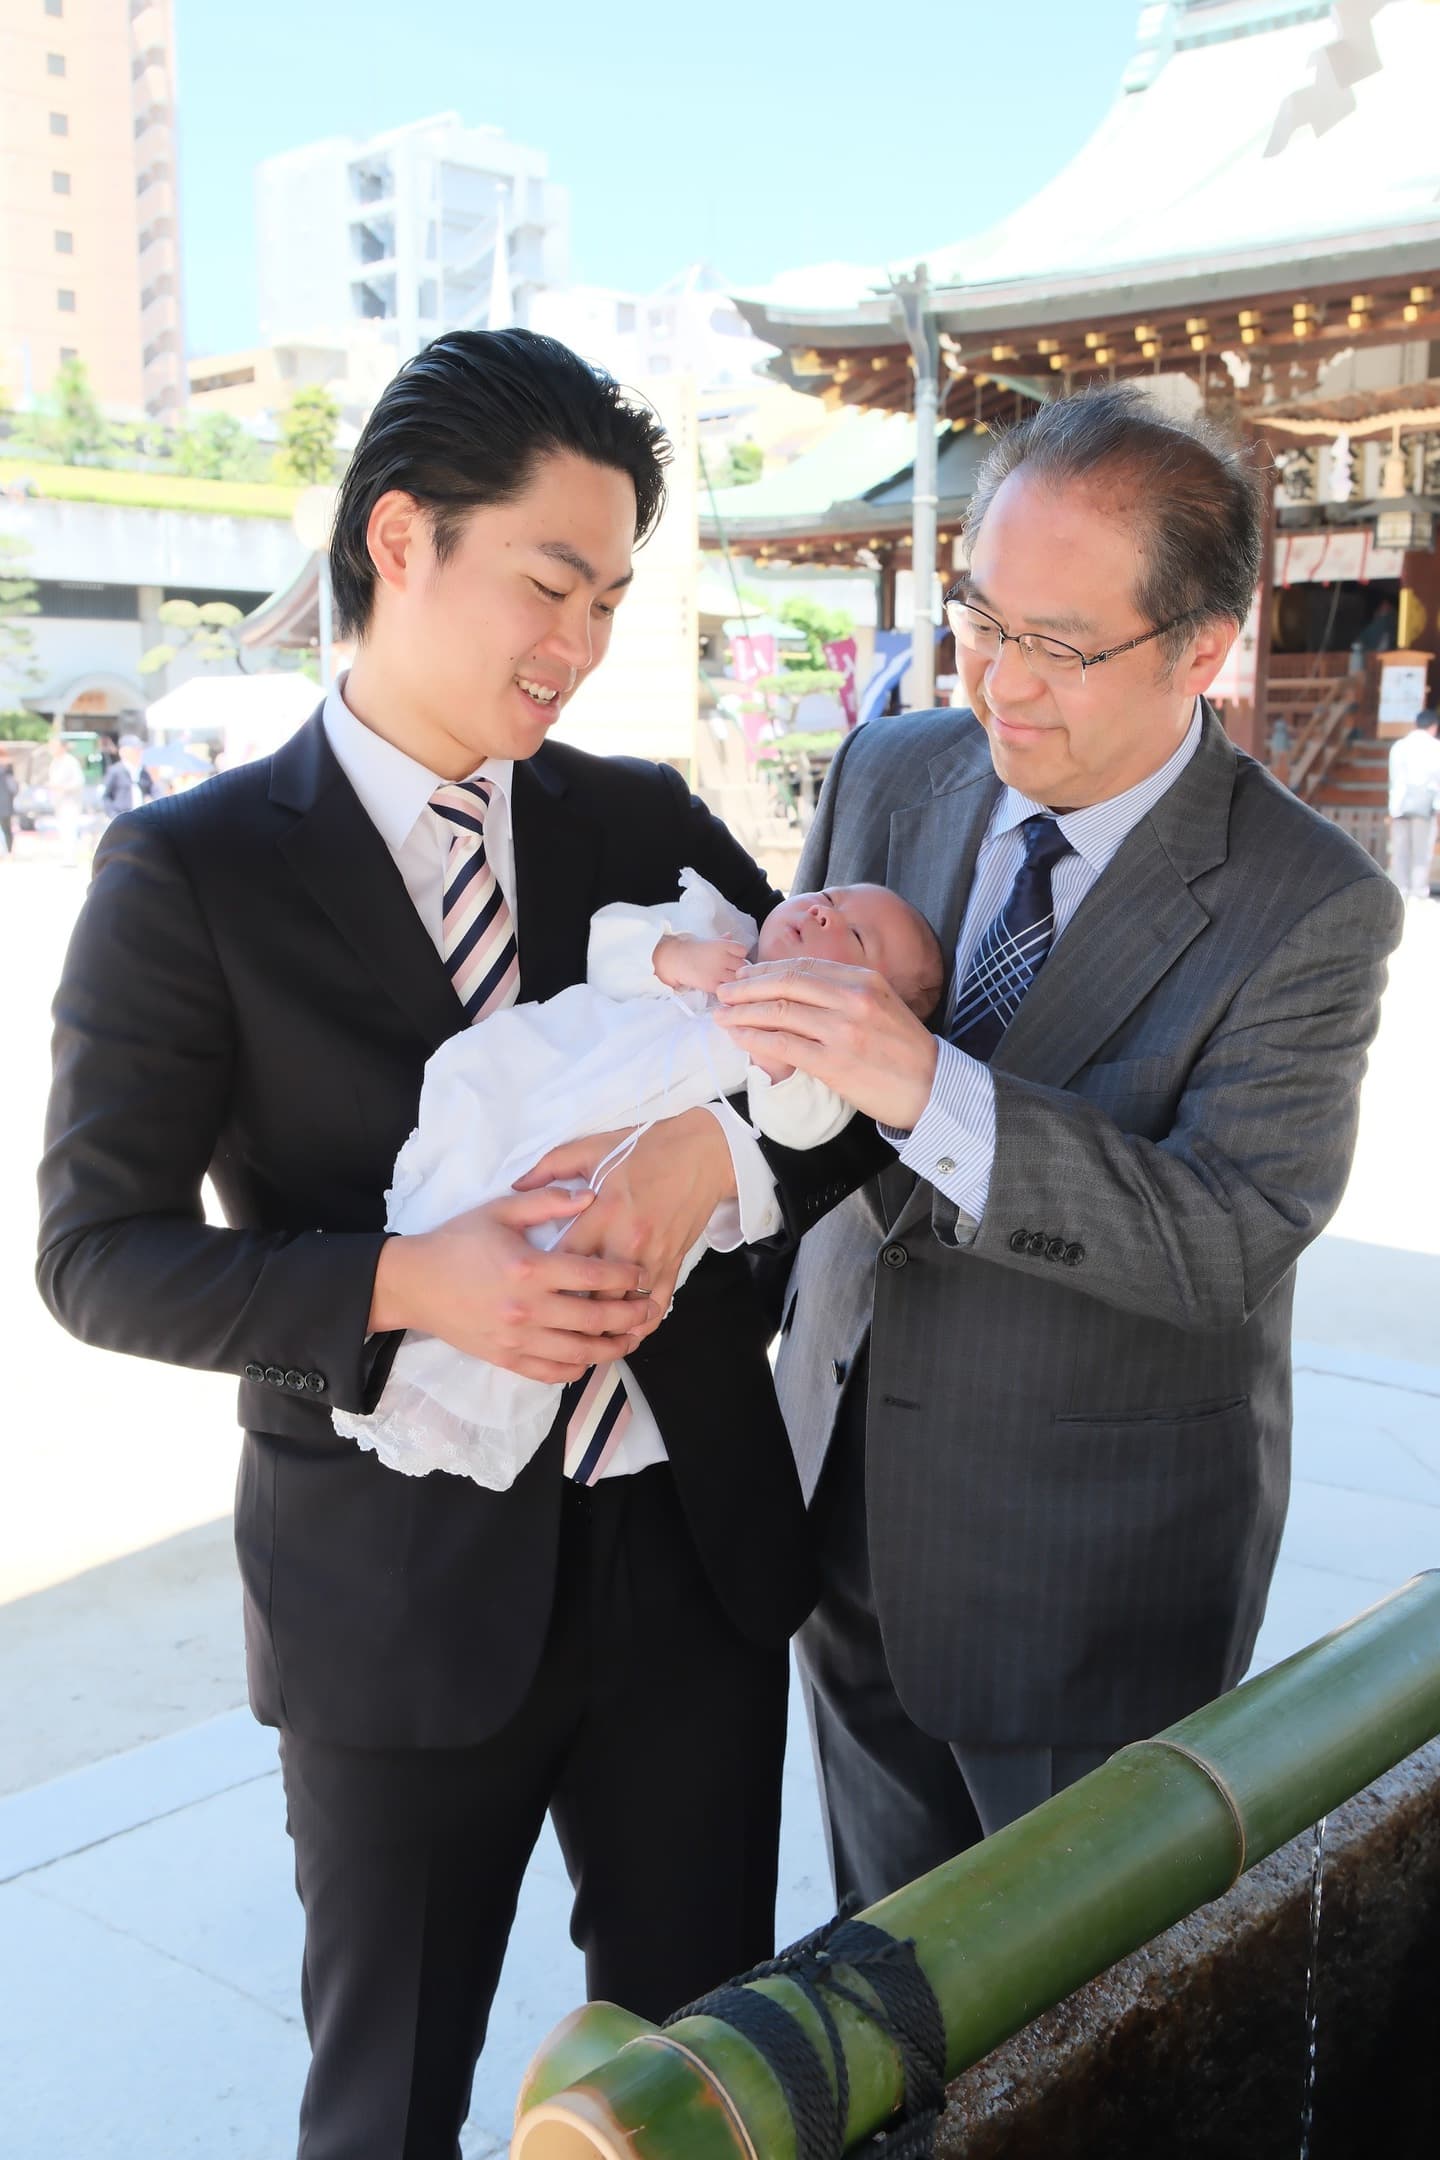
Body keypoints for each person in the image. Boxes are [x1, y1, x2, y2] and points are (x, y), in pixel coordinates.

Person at [38, 329, 831, 2160]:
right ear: (402, 540)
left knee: (698, 2084)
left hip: (687, 1569)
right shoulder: (191, 874)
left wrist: (713, 1171)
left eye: (614, 600)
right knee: (386, 2101)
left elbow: (848, 1086)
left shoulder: (634, 822)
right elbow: (97, 1256)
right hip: (393, 1601)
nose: (581, 644)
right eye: (551, 584)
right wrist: (408, 1284)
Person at [715, 384, 1405, 1909]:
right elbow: (791, 1113)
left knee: (1078, 2017)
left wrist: (931, 1088)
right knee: (880, 1982)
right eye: (978, 618)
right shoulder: (889, 773)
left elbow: (1228, 1238)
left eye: (1060, 647)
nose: (998, 685)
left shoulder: (1312, 907)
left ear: (1202, 654)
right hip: (839, 1507)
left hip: (1087, 1572)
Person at [338, 870, 942, 1488]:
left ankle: (458, 1399)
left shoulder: (814, 1059)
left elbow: (802, 1128)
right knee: (483, 1179)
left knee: (558, 1269)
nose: (823, 914)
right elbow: (611, 948)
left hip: (618, 1168)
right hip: (566, 1075)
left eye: (856, 938)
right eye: (832, 898)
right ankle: (416, 1268)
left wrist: (777, 1060)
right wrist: (674, 956)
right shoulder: (721, 932)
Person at [1387, 706, 1440, 899]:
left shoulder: (1399, 746)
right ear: (1434, 727)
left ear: (1415, 725)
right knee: (1421, 851)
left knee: (1400, 850)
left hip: (1399, 805)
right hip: (1424, 806)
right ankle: (1418, 892)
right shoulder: (1436, 748)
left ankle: (1400, 890)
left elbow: (1393, 777)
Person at [46, 737, 86, 866]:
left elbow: (79, 781)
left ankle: (70, 858)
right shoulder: (55, 762)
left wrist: (62, 787)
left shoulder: (70, 761)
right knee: (63, 829)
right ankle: (66, 856)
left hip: (70, 801)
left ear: (62, 747)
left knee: (70, 829)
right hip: (59, 801)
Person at [101, 733, 155, 819]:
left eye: (140, 750)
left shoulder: (143, 771)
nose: (139, 753)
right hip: (122, 817)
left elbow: (153, 790)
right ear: (123, 752)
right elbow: (105, 796)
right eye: (136, 750)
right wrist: (113, 815)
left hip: (142, 817)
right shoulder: (115, 771)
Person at [0, 752, 16, 860]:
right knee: (6, 829)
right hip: (6, 805)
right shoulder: (7, 772)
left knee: (6, 829)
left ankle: (8, 851)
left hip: (5, 805)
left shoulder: (7, 772)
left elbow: (13, 789)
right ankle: (8, 852)